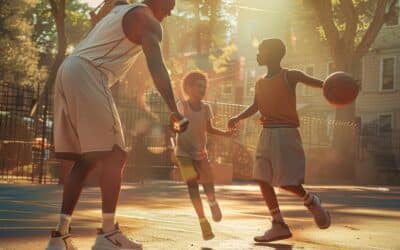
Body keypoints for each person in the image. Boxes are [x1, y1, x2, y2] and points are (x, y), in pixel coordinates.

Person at [46, 1, 186, 250]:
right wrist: (174, 109)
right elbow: (156, 65)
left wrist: (97, 17)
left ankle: (60, 235)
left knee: (86, 159)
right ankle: (108, 235)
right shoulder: (148, 22)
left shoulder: (121, 8)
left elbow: (100, 18)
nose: (171, 11)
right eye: (168, 4)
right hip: (90, 72)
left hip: (69, 68)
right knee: (116, 154)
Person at [228, 38, 331, 243]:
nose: (258, 54)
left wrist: (338, 86)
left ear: (274, 55)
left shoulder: (290, 75)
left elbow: (321, 84)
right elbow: (256, 106)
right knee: (261, 177)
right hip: (266, 133)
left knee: (287, 182)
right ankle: (278, 224)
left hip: (286, 133)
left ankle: (311, 201)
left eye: (262, 50)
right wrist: (238, 117)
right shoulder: (259, 81)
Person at [175, 71, 234, 240]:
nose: (202, 89)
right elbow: (175, 124)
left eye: (204, 86)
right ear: (188, 87)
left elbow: (209, 128)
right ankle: (203, 223)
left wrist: (225, 133)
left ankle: (212, 202)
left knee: (208, 184)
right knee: (192, 187)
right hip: (183, 154)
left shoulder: (206, 107)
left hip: (201, 153)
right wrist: (176, 126)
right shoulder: (182, 106)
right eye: (198, 85)